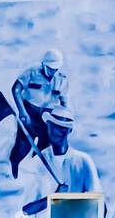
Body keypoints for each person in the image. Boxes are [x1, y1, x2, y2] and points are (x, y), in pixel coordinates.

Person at [8, 49, 69, 177]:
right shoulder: (31, 73)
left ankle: (35, 173)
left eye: (56, 69)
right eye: (51, 68)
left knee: (45, 147)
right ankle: (13, 168)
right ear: (44, 64)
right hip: (30, 111)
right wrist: (22, 112)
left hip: (49, 116)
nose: (53, 72)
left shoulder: (62, 79)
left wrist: (66, 119)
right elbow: (16, 89)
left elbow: (64, 102)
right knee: (23, 145)